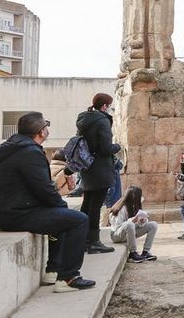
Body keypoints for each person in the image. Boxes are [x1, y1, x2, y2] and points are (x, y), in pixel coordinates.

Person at [0, 112, 95, 292]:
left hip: (5, 211)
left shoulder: (11, 148)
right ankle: (68, 277)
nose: (47, 129)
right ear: (41, 132)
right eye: (46, 126)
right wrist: (61, 205)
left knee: (61, 216)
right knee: (78, 220)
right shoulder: (30, 152)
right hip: (16, 214)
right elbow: (43, 189)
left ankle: (53, 271)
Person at [76, 93, 120, 254]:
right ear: (104, 107)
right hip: (100, 169)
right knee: (95, 207)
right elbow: (105, 148)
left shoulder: (84, 119)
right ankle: (93, 241)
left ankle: (81, 237)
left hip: (88, 168)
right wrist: (117, 147)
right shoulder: (102, 121)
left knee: (87, 204)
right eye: (110, 105)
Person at [109, 186, 158, 263]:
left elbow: (135, 225)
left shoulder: (134, 207)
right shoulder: (121, 208)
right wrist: (132, 220)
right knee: (130, 224)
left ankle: (145, 252)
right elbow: (117, 226)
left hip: (130, 233)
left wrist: (141, 221)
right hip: (116, 235)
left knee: (153, 225)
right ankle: (133, 253)